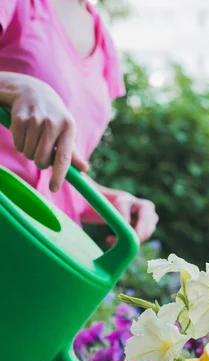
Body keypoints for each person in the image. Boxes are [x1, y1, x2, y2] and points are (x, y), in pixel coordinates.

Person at [0, 0, 158, 241]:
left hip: (47, 249)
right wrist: (15, 86)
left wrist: (111, 201)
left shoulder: (103, 41)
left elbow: (57, 173)